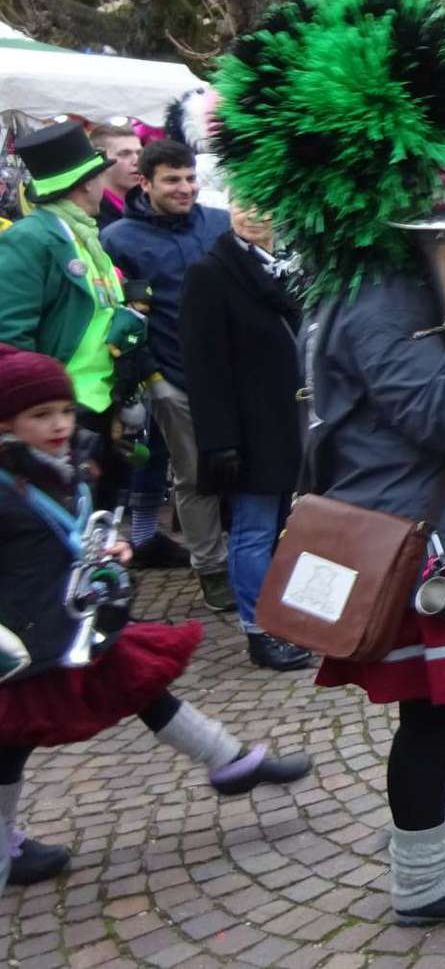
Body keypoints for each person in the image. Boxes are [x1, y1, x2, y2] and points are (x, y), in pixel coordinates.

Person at [213, 0, 445, 924]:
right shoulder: (376, 291)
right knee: (437, 708)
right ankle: (423, 875)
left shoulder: (392, 275)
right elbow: (437, 411)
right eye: (442, 172)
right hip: (417, 533)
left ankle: (433, 829)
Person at [0, 345, 310, 891]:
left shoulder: (62, 467)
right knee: (9, 741)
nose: (59, 425)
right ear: (6, 423)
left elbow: (69, 533)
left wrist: (108, 550)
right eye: (41, 415)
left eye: (65, 411)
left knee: (140, 685)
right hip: (25, 638)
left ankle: (228, 759)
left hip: (71, 621)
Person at [178, 204, 313, 671]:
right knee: (252, 531)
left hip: (289, 421)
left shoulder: (288, 265)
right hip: (247, 429)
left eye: (265, 203)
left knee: (284, 527)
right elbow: (203, 367)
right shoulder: (210, 273)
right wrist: (220, 442)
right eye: (243, 202)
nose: (254, 213)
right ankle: (259, 632)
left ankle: (285, 617)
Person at [101, 139, 235, 609]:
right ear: (145, 182)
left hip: (232, 371)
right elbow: (121, 318)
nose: (186, 188)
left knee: (248, 466)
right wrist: (153, 378)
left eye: (191, 178)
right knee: (195, 474)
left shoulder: (219, 223)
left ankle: (249, 556)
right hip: (172, 377)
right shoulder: (118, 239)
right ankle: (212, 569)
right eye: (173, 180)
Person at [0, 122, 145, 513]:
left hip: (100, 409)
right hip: (62, 413)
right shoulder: (30, 238)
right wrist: (39, 413)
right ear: (87, 183)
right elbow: (9, 339)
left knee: (99, 520)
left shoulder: (83, 235)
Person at [89, 124, 142, 227]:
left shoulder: (153, 203)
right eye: (124, 154)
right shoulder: (91, 213)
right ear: (100, 160)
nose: (137, 161)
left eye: (139, 153)